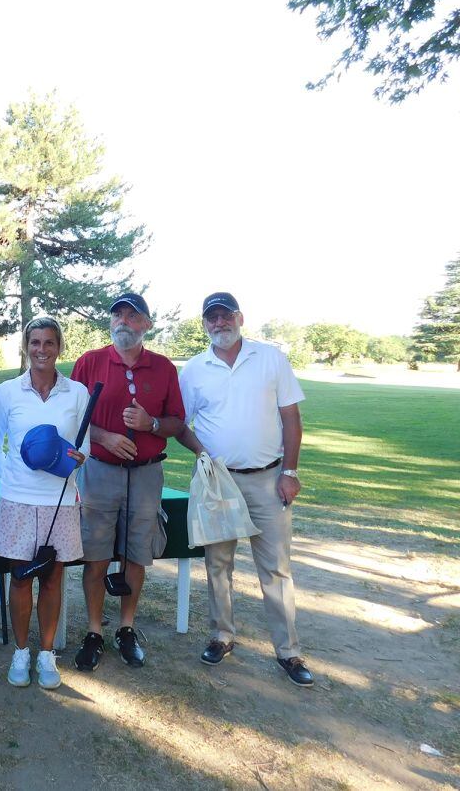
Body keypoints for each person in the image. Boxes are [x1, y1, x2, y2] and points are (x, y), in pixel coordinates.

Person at [178, 292, 314, 687]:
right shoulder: (193, 369)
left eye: (225, 316)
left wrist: (290, 471)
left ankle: (288, 651)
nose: (219, 323)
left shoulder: (270, 358)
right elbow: (181, 423)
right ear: (205, 324)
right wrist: (204, 455)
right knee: (218, 564)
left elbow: (291, 417)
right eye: (211, 318)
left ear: (239, 318)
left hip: (268, 478)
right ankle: (222, 635)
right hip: (218, 480)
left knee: (275, 568)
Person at [70, 293, 194, 671]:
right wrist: (104, 437)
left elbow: (176, 422)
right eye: (118, 314)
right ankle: (94, 631)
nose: (124, 320)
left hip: (146, 475)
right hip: (99, 474)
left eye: (133, 315)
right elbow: (71, 417)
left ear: (147, 324)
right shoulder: (90, 362)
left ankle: (126, 628)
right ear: (111, 322)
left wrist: (151, 424)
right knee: (96, 554)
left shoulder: (164, 368)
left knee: (138, 553)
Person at [0, 317, 89, 691]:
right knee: (21, 577)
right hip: (18, 500)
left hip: (59, 500)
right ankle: (21, 651)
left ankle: (46, 655)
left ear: (59, 346)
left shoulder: (77, 393)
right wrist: (8, 477)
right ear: (26, 347)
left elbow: (85, 443)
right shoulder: (8, 392)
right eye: (34, 343)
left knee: (53, 578)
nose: (41, 350)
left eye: (48, 342)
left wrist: (79, 459)